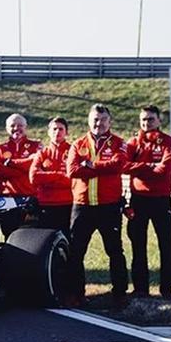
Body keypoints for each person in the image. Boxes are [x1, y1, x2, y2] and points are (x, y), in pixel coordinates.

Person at [66, 104, 129, 308]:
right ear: (88, 120)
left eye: (103, 120)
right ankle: (76, 294)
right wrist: (102, 169)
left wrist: (91, 165)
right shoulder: (78, 144)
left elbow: (118, 165)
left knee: (115, 251)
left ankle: (119, 294)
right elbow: (72, 171)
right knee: (76, 252)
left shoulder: (119, 143)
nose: (98, 123)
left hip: (109, 206)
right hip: (82, 206)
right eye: (95, 119)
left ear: (109, 122)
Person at [125, 105, 171, 298]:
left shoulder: (168, 142)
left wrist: (139, 168)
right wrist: (148, 166)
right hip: (138, 200)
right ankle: (140, 288)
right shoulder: (133, 142)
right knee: (137, 244)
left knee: (166, 244)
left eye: (150, 119)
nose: (146, 123)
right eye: (143, 120)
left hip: (161, 200)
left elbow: (164, 170)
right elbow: (124, 165)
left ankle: (167, 288)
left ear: (159, 121)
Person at [0, 113, 42, 236]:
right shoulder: (0, 149)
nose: (16, 128)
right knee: (10, 236)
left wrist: (10, 164)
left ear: (26, 127)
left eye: (20, 125)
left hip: (30, 199)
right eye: (12, 125)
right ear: (6, 128)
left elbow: (36, 166)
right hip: (8, 201)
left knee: (30, 237)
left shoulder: (36, 146)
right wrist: (23, 169)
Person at [29, 117, 73, 234]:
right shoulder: (42, 153)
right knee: (47, 239)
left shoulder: (73, 151)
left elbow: (73, 179)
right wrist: (60, 175)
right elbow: (34, 177)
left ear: (66, 132)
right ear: (48, 132)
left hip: (67, 204)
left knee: (68, 239)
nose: (57, 132)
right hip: (45, 204)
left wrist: (46, 177)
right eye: (54, 129)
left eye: (61, 129)